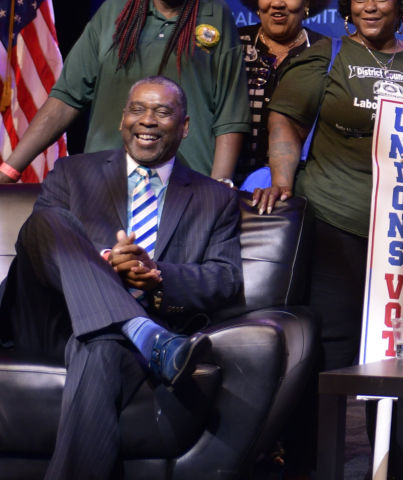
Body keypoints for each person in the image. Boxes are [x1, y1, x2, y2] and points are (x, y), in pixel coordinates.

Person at [256, 0, 403, 474]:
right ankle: (312, 465)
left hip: (401, 231)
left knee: (399, 353)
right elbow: (285, 120)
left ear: (400, 6)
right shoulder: (327, 55)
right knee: (326, 351)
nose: (369, 6)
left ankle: (395, 466)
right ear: (347, 7)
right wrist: (282, 183)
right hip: (332, 221)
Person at [0, 76, 241, 477]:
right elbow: (40, 247)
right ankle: (146, 334)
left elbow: (225, 278)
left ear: (184, 127)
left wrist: (157, 275)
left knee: (100, 345)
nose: (147, 120)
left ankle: (131, 330)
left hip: (106, 340)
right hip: (48, 320)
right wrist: (106, 261)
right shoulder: (72, 172)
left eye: (163, 112)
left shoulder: (214, 198)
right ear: (121, 119)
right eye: (137, 109)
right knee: (49, 221)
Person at [0, 0, 249, 182]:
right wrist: (10, 170)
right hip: (106, 179)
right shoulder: (113, 13)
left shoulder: (215, 15)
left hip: (186, 183)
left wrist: (220, 184)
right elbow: (65, 99)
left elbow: (229, 113)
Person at [233, 0, 332, 184]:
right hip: (231, 179)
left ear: (306, 3)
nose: (277, 2)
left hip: (298, 183)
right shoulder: (233, 43)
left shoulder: (325, 51)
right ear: (256, 3)